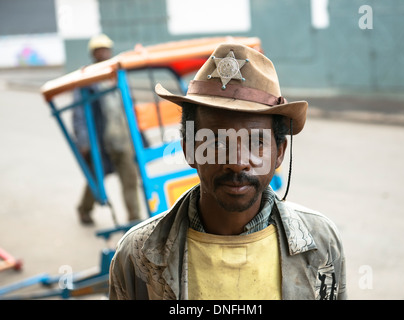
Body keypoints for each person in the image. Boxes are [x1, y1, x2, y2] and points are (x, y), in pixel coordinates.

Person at [109, 43, 346, 299]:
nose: (237, 162)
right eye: (216, 142)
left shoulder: (321, 242)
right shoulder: (136, 255)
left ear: (279, 152)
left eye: (256, 142)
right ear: (189, 149)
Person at [73, 34, 141, 224]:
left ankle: (134, 219)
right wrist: (84, 142)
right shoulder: (86, 80)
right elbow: (79, 114)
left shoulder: (118, 76)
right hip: (101, 142)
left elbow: (131, 110)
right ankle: (84, 209)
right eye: (99, 50)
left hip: (123, 139)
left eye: (106, 49)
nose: (103, 53)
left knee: (130, 180)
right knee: (96, 179)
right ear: (93, 53)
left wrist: (139, 138)